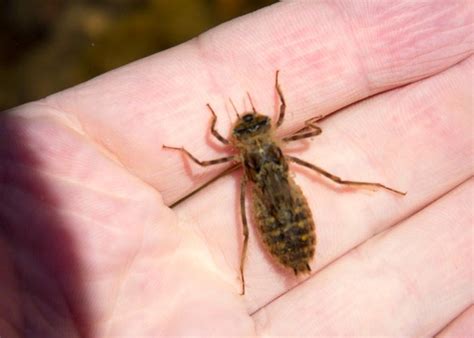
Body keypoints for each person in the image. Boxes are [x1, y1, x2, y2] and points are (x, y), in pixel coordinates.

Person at [0, 1, 472, 337]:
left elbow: (207, 157)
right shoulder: (274, 139)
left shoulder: (240, 150)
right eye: (254, 123)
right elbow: (233, 148)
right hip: (279, 207)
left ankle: (365, 195)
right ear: (265, 133)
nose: (253, 123)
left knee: (290, 203)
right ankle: (358, 199)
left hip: (275, 209)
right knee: (298, 199)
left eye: (256, 123)